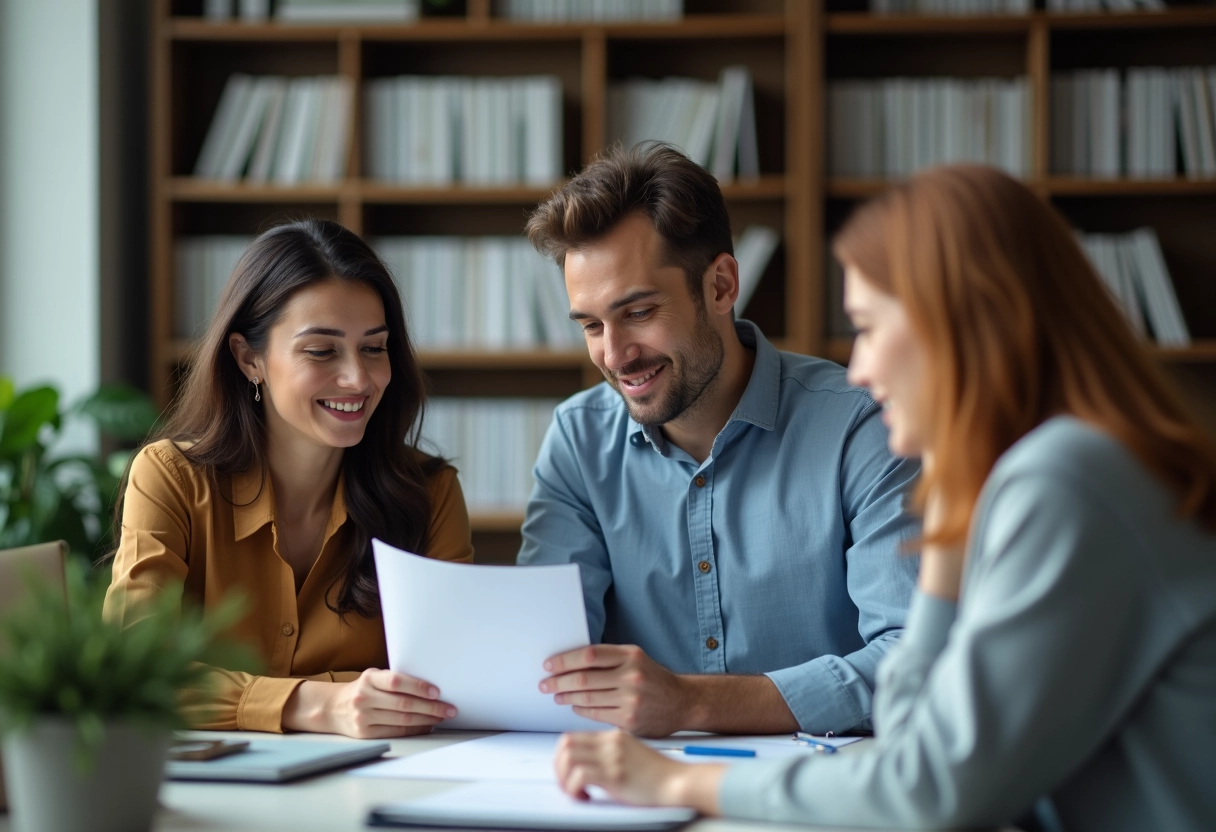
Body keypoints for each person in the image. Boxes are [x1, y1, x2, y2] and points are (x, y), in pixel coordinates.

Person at [550, 165, 1216, 831]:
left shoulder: (1069, 480)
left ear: (962, 321)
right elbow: (916, 733)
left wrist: (683, 781)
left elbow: (929, 787)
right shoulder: (1040, 474)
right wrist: (952, 530)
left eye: (869, 326)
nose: (860, 368)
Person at [519, 143, 921, 737]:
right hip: (633, 791)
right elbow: (544, 659)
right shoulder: (578, 441)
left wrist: (693, 704)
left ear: (721, 285)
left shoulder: (863, 427)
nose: (614, 355)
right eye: (591, 325)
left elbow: (912, 659)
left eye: (638, 312)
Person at [105, 219, 473, 738]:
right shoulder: (171, 481)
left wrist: (224, 691)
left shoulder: (429, 493)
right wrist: (322, 704)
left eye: (374, 347)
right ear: (249, 358)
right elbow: (133, 669)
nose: (359, 378)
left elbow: (454, 682)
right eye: (321, 351)